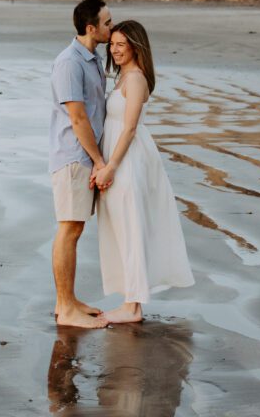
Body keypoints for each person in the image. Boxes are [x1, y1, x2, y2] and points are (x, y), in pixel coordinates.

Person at [94, 20, 194, 323]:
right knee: (123, 229)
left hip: (128, 160)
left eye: (121, 44)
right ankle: (129, 300)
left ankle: (133, 306)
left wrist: (110, 166)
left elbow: (130, 128)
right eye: (112, 44)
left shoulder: (136, 79)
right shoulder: (123, 76)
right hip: (117, 157)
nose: (114, 49)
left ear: (136, 46)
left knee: (131, 227)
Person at [50, 0, 113, 328]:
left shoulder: (92, 58)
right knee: (69, 229)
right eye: (107, 22)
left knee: (74, 228)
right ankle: (64, 307)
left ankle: (69, 300)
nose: (111, 27)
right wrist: (99, 160)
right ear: (91, 28)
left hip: (85, 156)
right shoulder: (70, 63)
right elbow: (77, 118)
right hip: (74, 157)